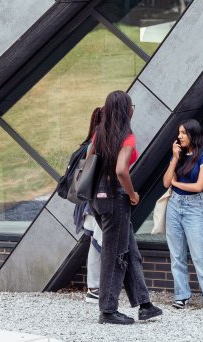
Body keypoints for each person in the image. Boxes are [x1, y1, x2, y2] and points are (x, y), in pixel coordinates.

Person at [89, 91, 162, 324]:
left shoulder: (99, 133)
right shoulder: (126, 136)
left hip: (97, 199)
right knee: (115, 255)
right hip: (115, 199)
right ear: (126, 110)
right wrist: (132, 194)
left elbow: (89, 160)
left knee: (129, 250)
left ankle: (144, 304)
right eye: (132, 106)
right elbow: (121, 170)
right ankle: (108, 310)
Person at [161, 119, 203, 309]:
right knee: (176, 254)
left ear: (193, 134)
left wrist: (176, 183)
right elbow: (166, 182)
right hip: (174, 205)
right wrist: (174, 157)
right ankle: (181, 295)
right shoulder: (178, 155)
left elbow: (198, 186)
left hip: (194, 207)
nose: (179, 136)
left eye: (183, 133)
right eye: (179, 133)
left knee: (199, 254)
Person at [73, 106, 103, 304]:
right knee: (98, 242)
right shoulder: (96, 143)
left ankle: (95, 286)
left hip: (89, 202)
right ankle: (94, 287)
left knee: (96, 241)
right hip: (94, 202)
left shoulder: (89, 143)